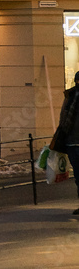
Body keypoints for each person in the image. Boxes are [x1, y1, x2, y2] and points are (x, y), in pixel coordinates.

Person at [55, 70, 79, 214]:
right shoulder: (70, 96)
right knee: (78, 176)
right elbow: (63, 118)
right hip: (72, 142)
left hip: (73, 142)